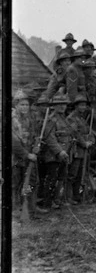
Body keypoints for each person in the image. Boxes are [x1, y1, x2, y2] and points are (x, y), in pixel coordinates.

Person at [12, 90, 47, 219]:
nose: (24, 107)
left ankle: (30, 208)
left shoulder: (30, 119)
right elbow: (14, 143)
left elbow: (34, 135)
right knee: (16, 184)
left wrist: (37, 145)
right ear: (16, 105)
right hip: (16, 158)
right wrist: (27, 155)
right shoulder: (12, 121)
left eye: (26, 105)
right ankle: (15, 210)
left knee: (31, 183)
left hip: (30, 157)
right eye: (22, 105)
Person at [39, 94, 74, 210]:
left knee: (61, 178)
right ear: (54, 106)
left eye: (64, 104)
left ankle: (56, 200)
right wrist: (59, 152)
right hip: (53, 155)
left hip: (65, 153)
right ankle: (47, 203)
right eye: (59, 104)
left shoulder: (64, 119)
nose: (62, 106)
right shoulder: (51, 120)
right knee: (51, 179)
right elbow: (50, 139)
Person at [67, 94, 95, 205]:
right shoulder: (71, 118)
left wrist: (91, 140)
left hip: (83, 150)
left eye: (84, 105)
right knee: (72, 174)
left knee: (80, 174)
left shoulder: (83, 119)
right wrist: (84, 143)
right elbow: (75, 133)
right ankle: (68, 197)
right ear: (76, 106)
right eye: (81, 105)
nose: (83, 107)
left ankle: (76, 196)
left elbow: (89, 132)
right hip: (75, 150)